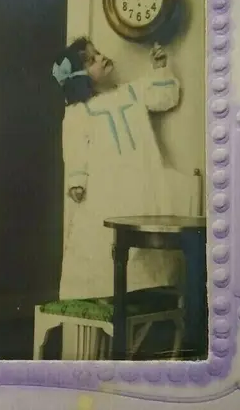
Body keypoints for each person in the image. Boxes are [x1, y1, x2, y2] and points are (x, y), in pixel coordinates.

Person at [54, 37, 195, 300]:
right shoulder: (80, 111)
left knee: (145, 247)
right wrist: (77, 180)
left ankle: (147, 293)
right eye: (91, 60)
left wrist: (160, 69)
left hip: (142, 180)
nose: (101, 57)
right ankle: (104, 295)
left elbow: (166, 97)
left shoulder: (131, 92)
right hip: (106, 186)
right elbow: (74, 146)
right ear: (79, 77)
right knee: (103, 242)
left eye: (98, 52)